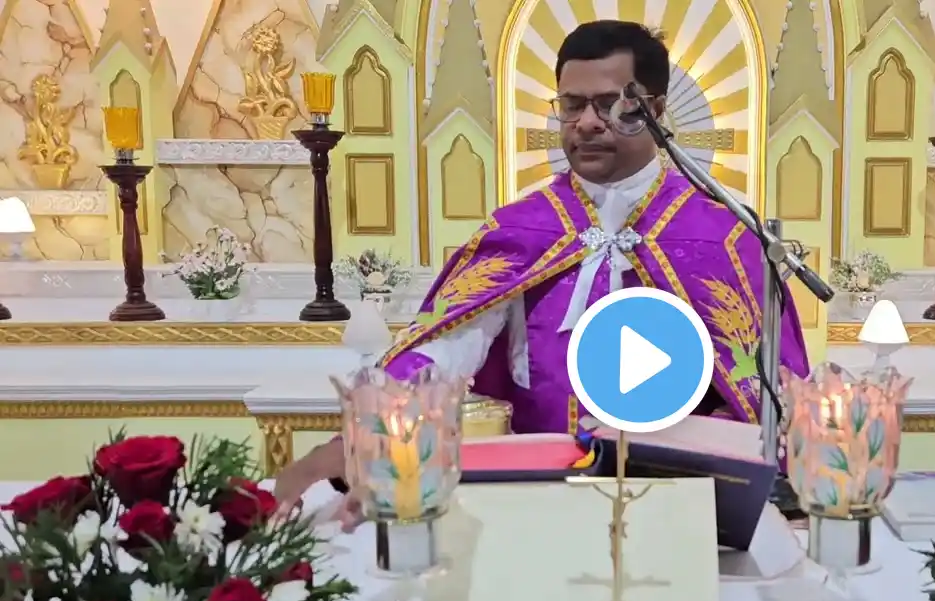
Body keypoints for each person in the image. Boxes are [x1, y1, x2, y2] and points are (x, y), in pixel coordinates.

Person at [273, 20, 809, 519]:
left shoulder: (724, 237)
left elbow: (766, 394)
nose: (587, 123)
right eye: (571, 105)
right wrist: (360, 443)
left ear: (656, 109)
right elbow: (442, 354)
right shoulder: (522, 231)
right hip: (538, 506)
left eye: (609, 104)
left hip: (684, 508)